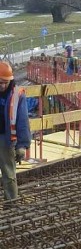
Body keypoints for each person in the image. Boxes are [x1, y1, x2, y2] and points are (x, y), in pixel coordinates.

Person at [0, 62, 31, 204]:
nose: (2, 85)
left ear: (10, 80)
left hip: (6, 141)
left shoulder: (17, 96)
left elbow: (22, 122)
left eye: (4, 83)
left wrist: (22, 145)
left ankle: (11, 204)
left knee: (9, 175)